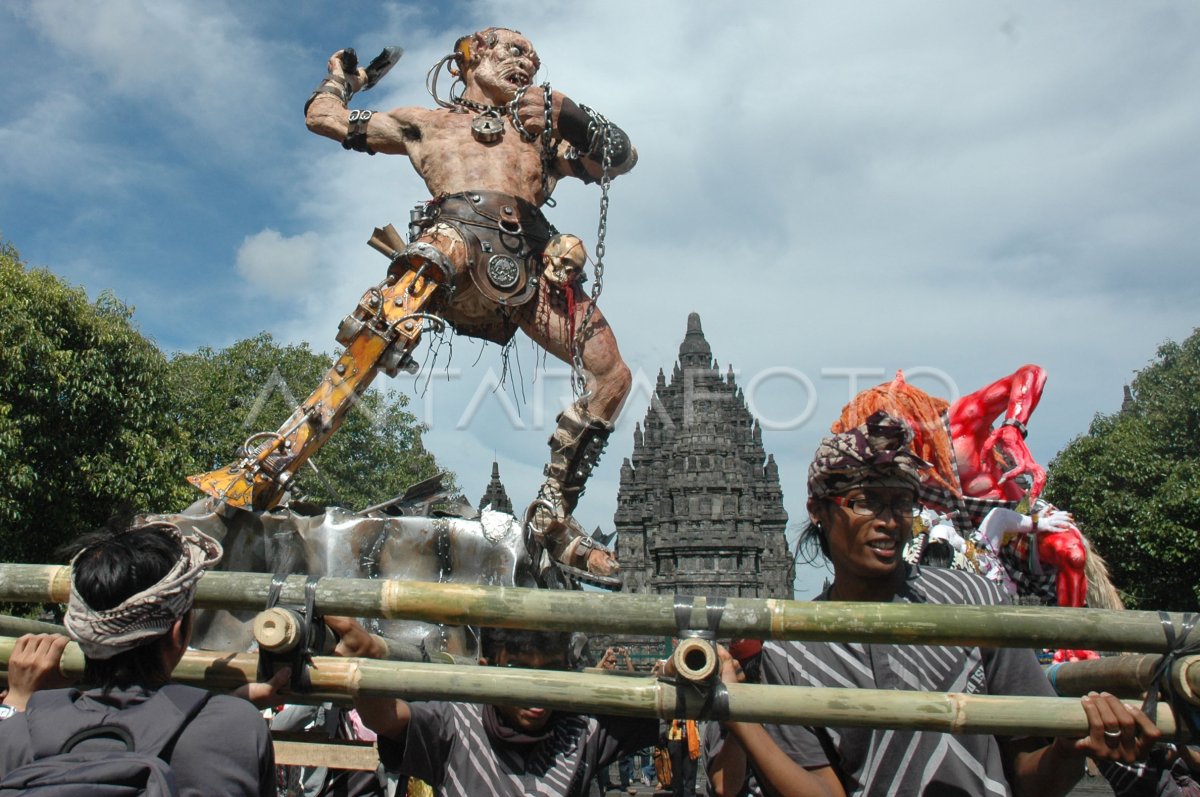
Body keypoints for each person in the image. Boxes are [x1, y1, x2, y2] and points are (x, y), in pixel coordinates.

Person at [305, 27, 637, 585]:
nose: (527, 64)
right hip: (450, 240)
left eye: (534, 59)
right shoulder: (426, 123)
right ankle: (275, 458)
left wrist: (570, 114)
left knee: (614, 375)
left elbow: (619, 159)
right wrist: (344, 80)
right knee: (428, 266)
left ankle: (553, 516)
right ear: (469, 59)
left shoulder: (541, 137)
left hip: (529, 257)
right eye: (514, 52)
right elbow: (324, 119)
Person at [718, 411, 1163, 797]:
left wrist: (1070, 747)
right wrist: (732, 706)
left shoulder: (976, 604)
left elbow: (1030, 775)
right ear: (818, 510)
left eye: (902, 503)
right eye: (866, 502)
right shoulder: (794, 646)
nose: (889, 522)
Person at [0, 519, 281, 796]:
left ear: (81, 632)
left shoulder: (18, 735)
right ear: (177, 632)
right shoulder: (236, 728)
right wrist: (232, 705)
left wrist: (16, 705)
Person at [327, 617, 657, 796]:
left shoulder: (581, 729)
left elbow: (665, 713)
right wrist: (366, 660)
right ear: (487, 669)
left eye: (551, 675)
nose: (537, 696)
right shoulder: (456, 724)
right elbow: (386, 718)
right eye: (519, 675)